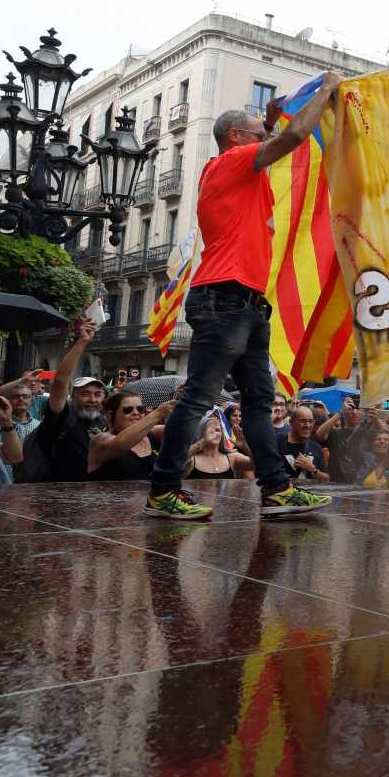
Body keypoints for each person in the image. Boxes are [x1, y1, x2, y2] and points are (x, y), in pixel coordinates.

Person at [142, 75, 342, 519]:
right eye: (256, 134)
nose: (263, 139)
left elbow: (277, 137)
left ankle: (275, 489)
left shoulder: (241, 178)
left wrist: (270, 123)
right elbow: (292, 137)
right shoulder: (228, 163)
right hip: (224, 298)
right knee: (197, 398)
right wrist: (328, 90)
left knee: (257, 401)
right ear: (235, 138)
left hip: (245, 302)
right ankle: (163, 490)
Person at [31, 319, 104, 484]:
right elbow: (60, 380)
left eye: (98, 394)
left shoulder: (102, 421)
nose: (92, 399)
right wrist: (82, 342)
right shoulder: (63, 415)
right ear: (73, 396)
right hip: (56, 494)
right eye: (85, 394)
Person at [89, 392, 175, 482]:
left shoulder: (154, 433)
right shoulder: (99, 441)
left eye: (140, 409)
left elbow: (181, 429)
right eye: (128, 410)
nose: (136, 413)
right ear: (110, 415)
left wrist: (184, 401)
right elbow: (119, 444)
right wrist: (158, 413)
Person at [185, 414, 254, 480]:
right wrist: (203, 441)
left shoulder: (232, 458)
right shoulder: (192, 459)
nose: (215, 434)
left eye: (218, 430)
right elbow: (179, 460)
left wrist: (246, 446)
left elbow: (258, 465)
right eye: (211, 431)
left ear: (222, 435)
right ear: (201, 434)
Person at [279, 405, 329, 483]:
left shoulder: (316, 448)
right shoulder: (277, 443)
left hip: (310, 494)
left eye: (310, 421)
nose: (307, 425)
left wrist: (313, 470)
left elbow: (326, 479)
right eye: (303, 421)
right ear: (291, 422)